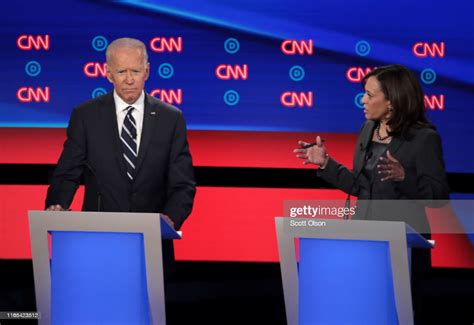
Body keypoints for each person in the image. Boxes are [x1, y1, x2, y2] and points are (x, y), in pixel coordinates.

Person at [294, 64, 449, 322]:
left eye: (369, 94)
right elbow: (360, 187)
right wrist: (325, 164)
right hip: (364, 242)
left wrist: (405, 178)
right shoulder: (368, 129)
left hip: (401, 249)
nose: (362, 100)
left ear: (392, 101)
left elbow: (439, 198)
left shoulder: (423, 139)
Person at [45, 37, 196, 277]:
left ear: (147, 71)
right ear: (107, 73)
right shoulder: (86, 116)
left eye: (135, 71)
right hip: (98, 241)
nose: (128, 79)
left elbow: (183, 184)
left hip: (151, 245)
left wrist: (171, 218)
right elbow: (68, 171)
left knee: (149, 313)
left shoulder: (171, 118)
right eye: (121, 71)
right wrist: (58, 204)